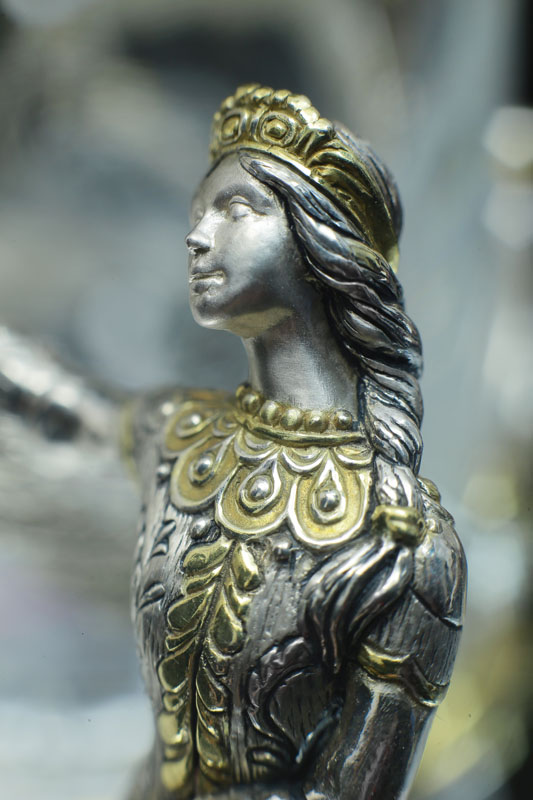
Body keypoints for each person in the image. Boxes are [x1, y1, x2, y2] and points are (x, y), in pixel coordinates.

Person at [0, 84, 466, 800]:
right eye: (198, 212)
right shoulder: (178, 434)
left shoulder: (404, 545)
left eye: (235, 210)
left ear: (319, 242)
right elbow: (58, 408)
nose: (196, 236)